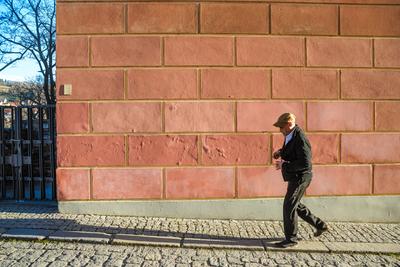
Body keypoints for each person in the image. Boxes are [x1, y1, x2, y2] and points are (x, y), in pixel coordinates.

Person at [272, 113, 328, 248]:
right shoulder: (291, 135)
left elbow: (305, 163)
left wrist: (284, 165)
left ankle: (291, 239)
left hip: (301, 177)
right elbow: (293, 151)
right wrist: (280, 152)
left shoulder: (300, 138)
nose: (280, 130)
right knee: (296, 204)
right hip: (295, 176)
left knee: (289, 205)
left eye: (281, 127)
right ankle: (320, 225)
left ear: (289, 124)